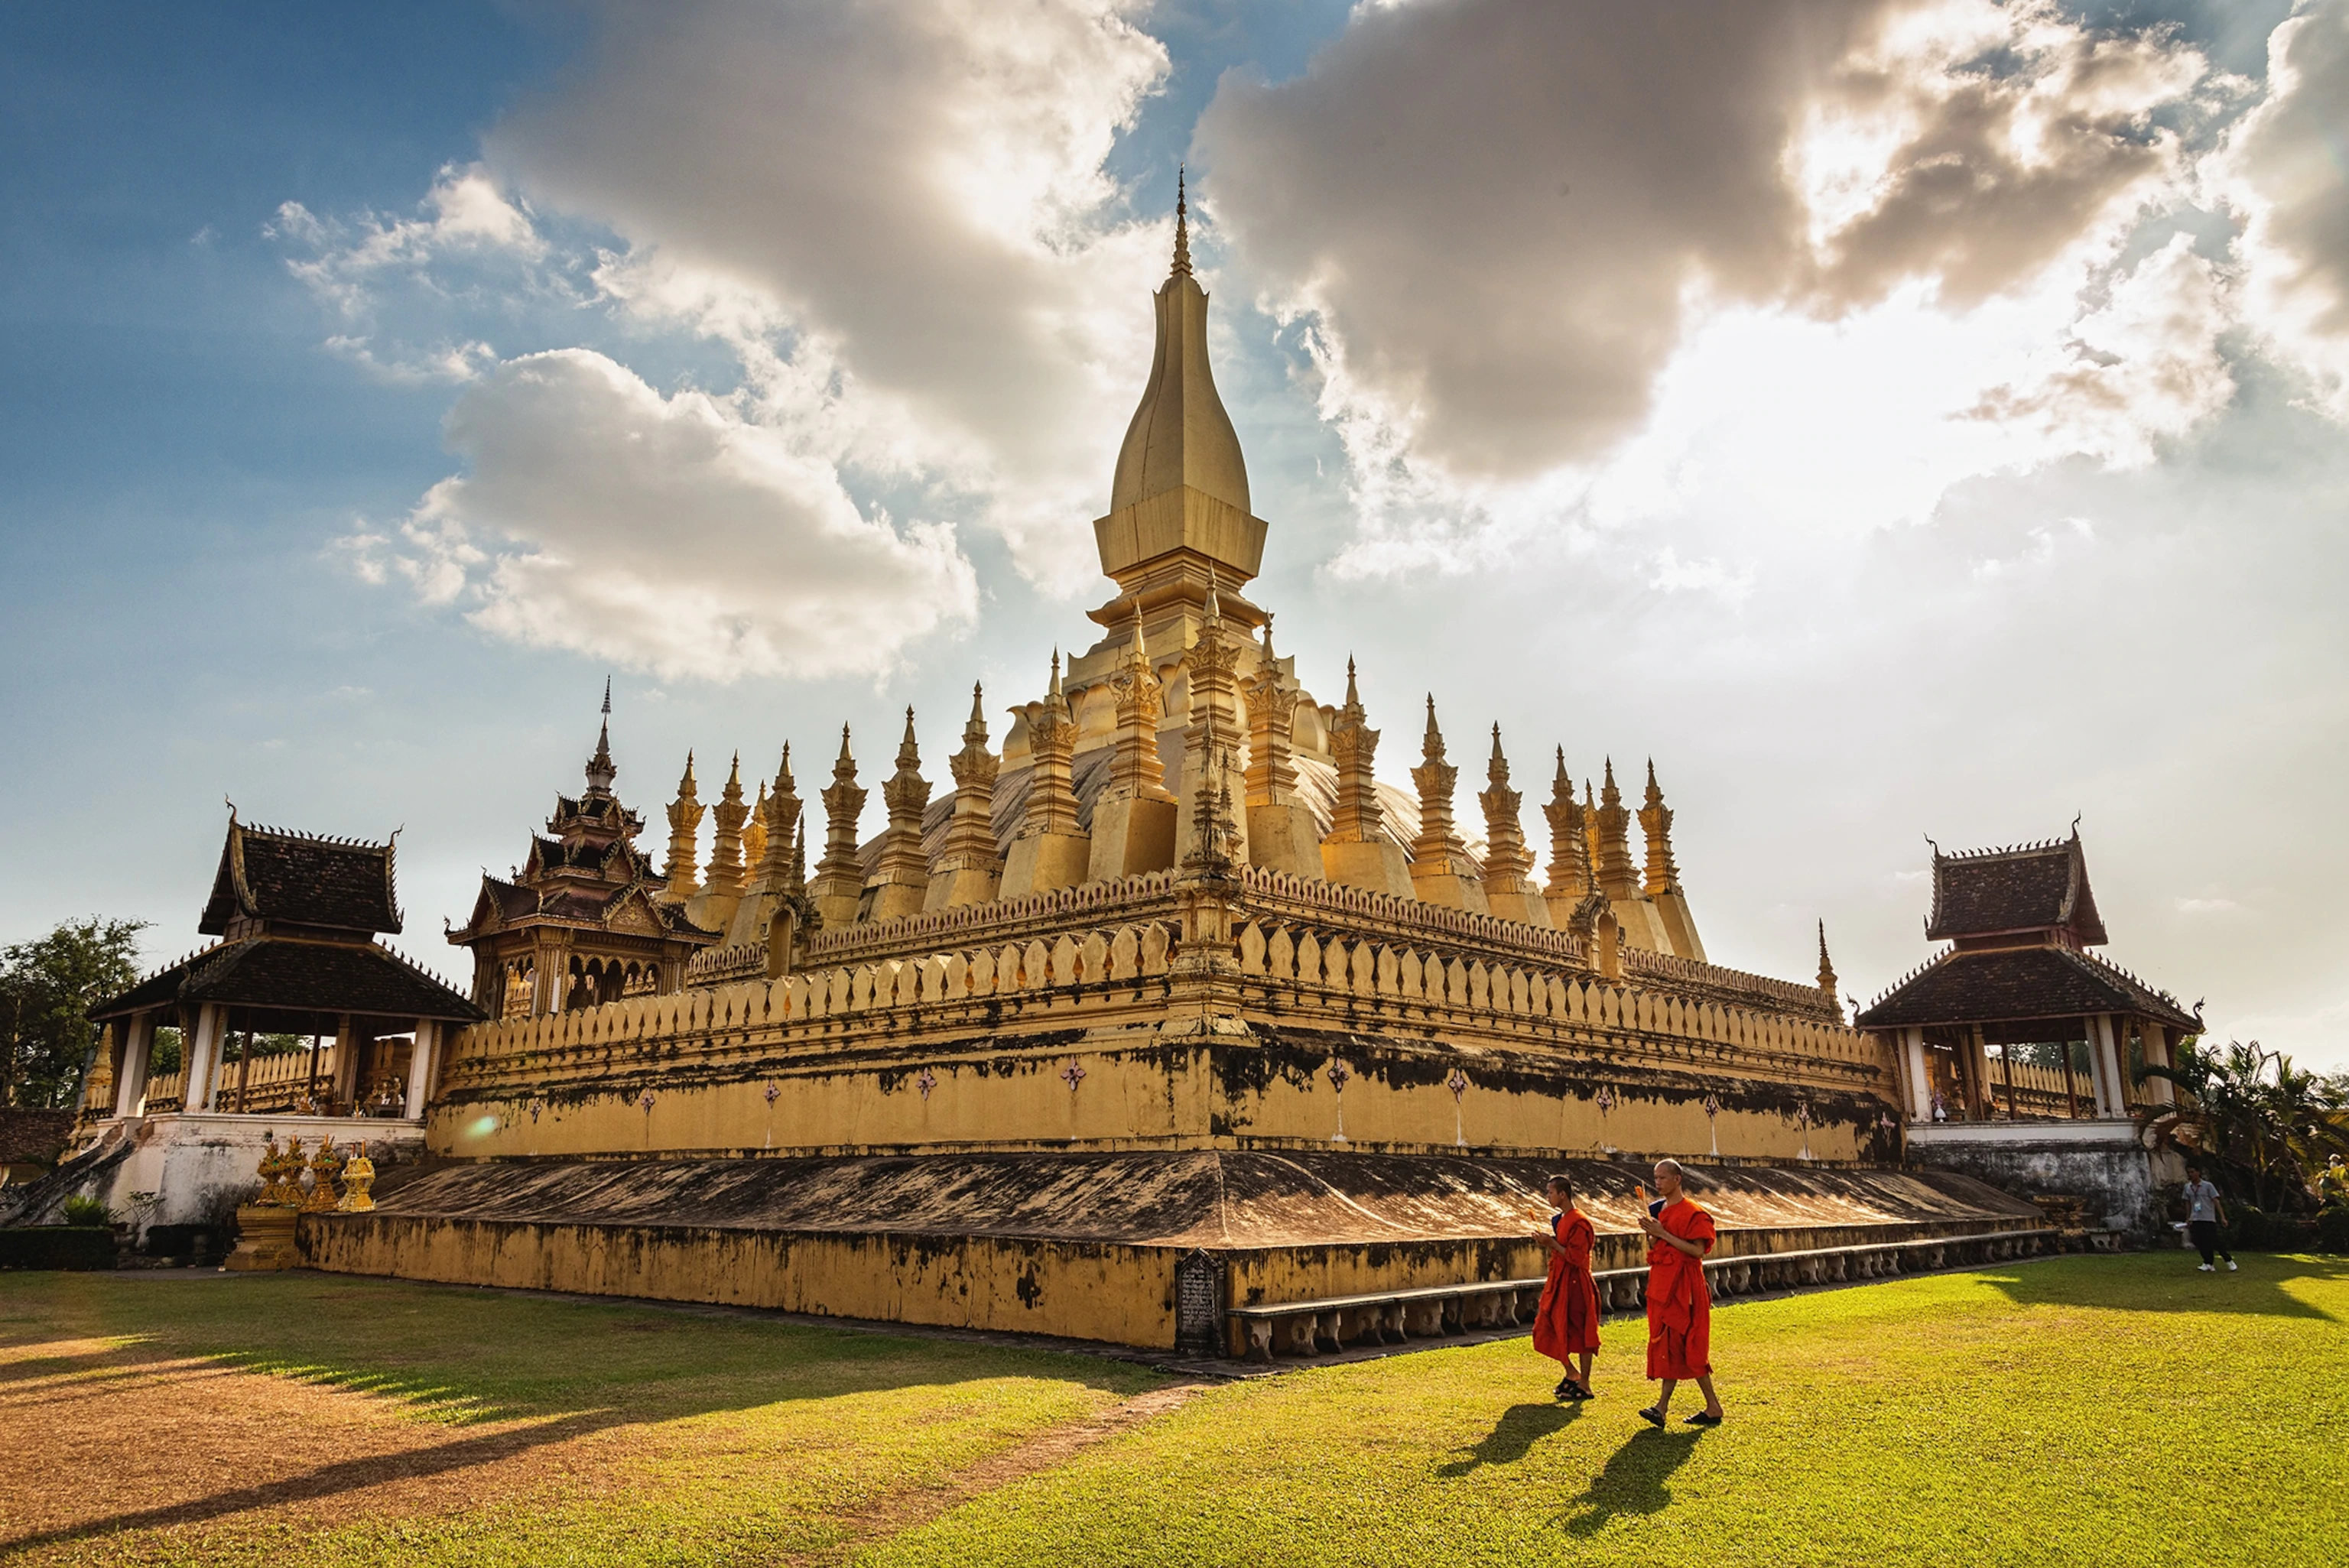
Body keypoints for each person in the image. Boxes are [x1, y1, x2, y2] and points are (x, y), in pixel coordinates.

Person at [1638, 1157, 1724, 1429]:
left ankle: (1666, 1408)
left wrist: (1663, 1233)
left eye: (1663, 1178)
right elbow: (1659, 1247)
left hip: (1686, 1287)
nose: (1658, 1183)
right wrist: (1653, 1233)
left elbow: (1698, 1251)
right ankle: (1699, 1407)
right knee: (1670, 1344)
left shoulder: (1694, 1212)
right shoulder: (1661, 1211)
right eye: (1655, 1178)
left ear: (1678, 1179)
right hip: (1664, 1285)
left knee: (1689, 1345)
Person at [1530, 1174, 1601, 1401]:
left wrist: (1551, 1244)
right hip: (1559, 1281)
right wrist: (1549, 1242)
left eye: (1550, 1192)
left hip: (1577, 1283)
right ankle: (1572, 1373)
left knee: (1582, 1332)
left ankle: (1586, 1384)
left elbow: (1578, 1258)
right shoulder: (1560, 1220)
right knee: (1546, 1325)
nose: (1548, 1196)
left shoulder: (1579, 1221)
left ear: (1563, 1194)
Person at [2182, 1163, 2236, 1272]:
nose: (2191, 1174)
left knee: (2214, 1240)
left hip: (2208, 1218)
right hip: (2196, 1218)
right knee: (2200, 1241)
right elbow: (2188, 1203)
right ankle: (2208, 1262)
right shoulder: (2187, 1187)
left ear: (2198, 1173)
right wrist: (2188, 1218)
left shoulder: (2208, 1186)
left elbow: (2216, 1201)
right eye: (2189, 1172)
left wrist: (2222, 1217)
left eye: (2193, 1172)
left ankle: (2228, 1260)